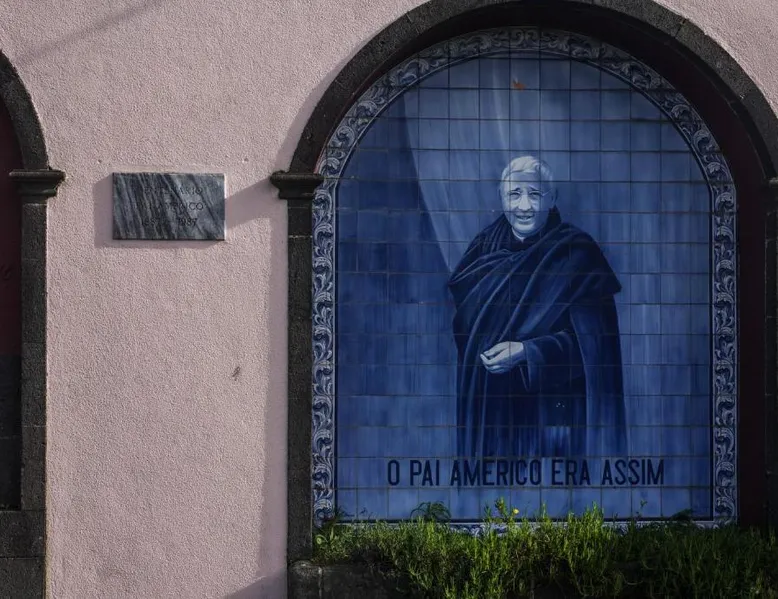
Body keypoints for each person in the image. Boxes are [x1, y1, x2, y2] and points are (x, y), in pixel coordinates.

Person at [448, 155, 627, 460]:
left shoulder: (576, 254)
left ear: (552, 198)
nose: (524, 206)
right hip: (491, 407)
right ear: (501, 197)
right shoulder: (482, 248)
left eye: (535, 194)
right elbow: (468, 328)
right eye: (514, 194)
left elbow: (596, 349)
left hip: (554, 412)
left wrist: (526, 352)